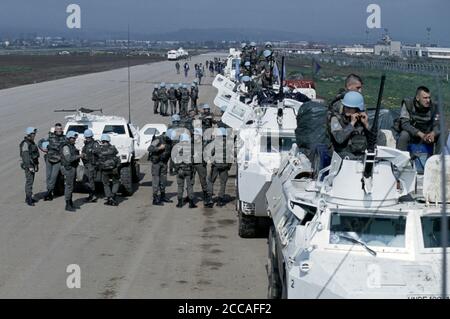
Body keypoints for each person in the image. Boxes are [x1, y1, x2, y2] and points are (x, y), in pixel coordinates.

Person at [328, 91, 374, 159]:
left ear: (358, 109)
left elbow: (376, 140)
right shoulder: (335, 118)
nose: (347, 109)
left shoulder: (363, 118)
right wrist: (351, 124)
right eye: (346, 107)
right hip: (341, 154)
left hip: (361, 153)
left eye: (351, 108)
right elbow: (339, 139)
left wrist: (367, 125)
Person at [397, 86, 440, 152]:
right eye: (425, 98)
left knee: (444, 133)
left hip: (428, 133)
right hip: (412, 133)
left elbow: (438, 124)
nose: (428, 100)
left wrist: (433, 133)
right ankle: (400, 159)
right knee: (404, 135)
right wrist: (420, 134)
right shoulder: (408, 103)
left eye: (429, 97)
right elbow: (404, 124)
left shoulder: (434, 106)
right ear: (417, 98)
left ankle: (437, 159)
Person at [208, 127, 233, 207]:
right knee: (223, 183)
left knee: (211, 181)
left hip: (216, 165)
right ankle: (220, 200)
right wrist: (228, 166)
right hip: (225, 166)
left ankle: (210, 199)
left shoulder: (215, 142)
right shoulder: (230, 143)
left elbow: (211, 152)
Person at [148, 132, 172, 205]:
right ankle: (155, 199)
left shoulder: (169, 141)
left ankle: (162, 196)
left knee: (163, 180)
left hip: (164, 163)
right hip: (156, 163)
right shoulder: (158, 139)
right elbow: (150, 148)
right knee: (156, 179)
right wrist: (159, 148)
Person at [191, 128, 214, 207]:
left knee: (203, 181)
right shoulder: (191, 142)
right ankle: (191, 197)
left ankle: (207, 199)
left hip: (200, 164)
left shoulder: (203, 143)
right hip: (193, 164)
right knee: (191, 181)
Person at [173, 133, 197, 208]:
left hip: (180, 170)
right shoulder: (192, 147)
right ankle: (191, 203)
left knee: (180, 186)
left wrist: (175, 168)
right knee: (190, 186)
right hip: (189, 170)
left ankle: (179, 203)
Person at [43, 123, 65, 201]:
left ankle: (49, 192)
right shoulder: (50, 136)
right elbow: (41, 141)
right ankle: (49, 192)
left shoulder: (64, 138)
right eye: (58, 129)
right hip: (49, 159)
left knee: (53, 177)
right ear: (55, 129)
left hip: (58, 160)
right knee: (48, 177)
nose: (59, 130)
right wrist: (42, 148)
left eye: (60, 129)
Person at [97, 134, 121, 206]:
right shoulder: (113, 148)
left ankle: (109, 198)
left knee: (106, 184)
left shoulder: (99, 149)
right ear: (108, 140)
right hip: (113, 169)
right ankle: (113, 196)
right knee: (116, 182)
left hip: (104, 170)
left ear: (102, 140)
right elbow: (116, 153)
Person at [60, 131, 81, 212]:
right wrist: (79, 156)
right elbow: (68, 158)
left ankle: (70, 202)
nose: (74, 139)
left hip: (72, 168)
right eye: (73, 138)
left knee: (71, 186)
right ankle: (68, 204)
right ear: (69, 138)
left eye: (75, 138)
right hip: (68, 168)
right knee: (69, 186)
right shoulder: (66, 147)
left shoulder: (71, 146)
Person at [20, 127, 39, 206]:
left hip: (33, 165)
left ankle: (29, 197)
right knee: (29, 182)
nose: (34, 135)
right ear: (29, 134)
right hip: (29, 166)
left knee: (31, 181)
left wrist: (36, 164)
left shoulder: (31, 142)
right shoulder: (25, 144)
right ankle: (28, 199)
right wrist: (30, 166)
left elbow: (34, 154)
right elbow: (25, 156)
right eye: (33, 134)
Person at [81, 129, 99, 203]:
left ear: (91, 136)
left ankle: (92, 196)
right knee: (85, 181)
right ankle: (91, 194)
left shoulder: (95, 144)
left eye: (89, 137)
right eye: (86, 137)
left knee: (90, 180)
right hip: (86, 164)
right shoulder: (86, 144)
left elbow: (98, 152)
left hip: (92, 165)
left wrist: (92, 151)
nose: (87, 138)